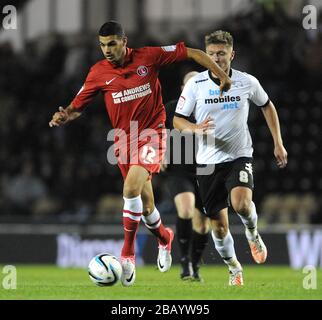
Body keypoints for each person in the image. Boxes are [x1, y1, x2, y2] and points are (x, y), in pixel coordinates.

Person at [49, 21, 231, 287]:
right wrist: (65, 115)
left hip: (152, 135)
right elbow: (77, 106)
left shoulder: (149, 56)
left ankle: (128, 254)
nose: (107, 50)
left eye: (112, 43)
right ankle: (164, 238)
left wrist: (221, 75)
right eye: (102, 45)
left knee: (130, 189)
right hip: (123, 142)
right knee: (146, 208)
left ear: (124, 41)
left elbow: (192, 53)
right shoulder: (98, 72)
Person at [173, 30, 288, 286]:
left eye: (222, 54)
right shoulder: (195, 85)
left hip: (239, 155)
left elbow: (267, 105)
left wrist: (278, 143)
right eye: (211, 54)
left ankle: (253, 233)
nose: (217, 59)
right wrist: (193, 128)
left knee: (242, 204)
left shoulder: (247, 81)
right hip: (208, 162)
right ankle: (234, 267)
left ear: (232, 54)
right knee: (220, 227)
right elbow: (177, 119)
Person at [163, 71, 209, 281]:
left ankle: (195, 262)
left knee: (202, 224)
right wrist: (160, 151)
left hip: (205, 171)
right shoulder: (172, 108)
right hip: (179, 169)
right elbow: (157, 129)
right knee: (186, 208)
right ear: (183, 89)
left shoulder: (209, 108)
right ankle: (184, 262)